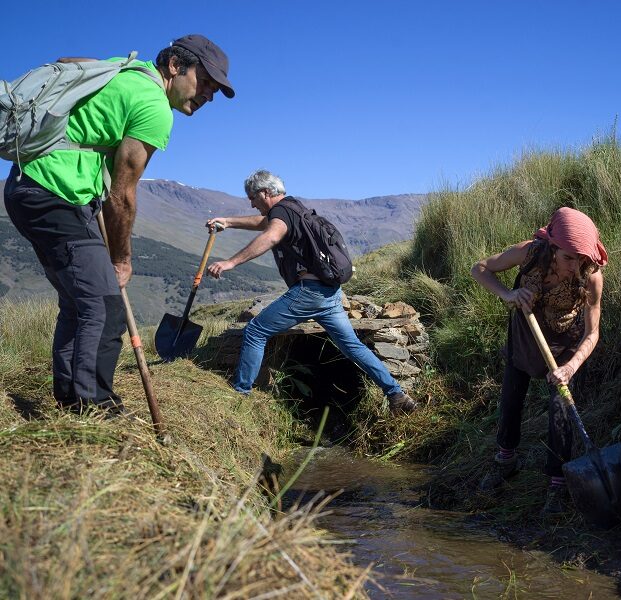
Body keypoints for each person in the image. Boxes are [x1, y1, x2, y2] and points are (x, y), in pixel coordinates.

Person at [3, 34, 235, 416]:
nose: (208, 94)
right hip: (56, 194)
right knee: (106, 305)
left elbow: (67, 57)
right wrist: (121, 258)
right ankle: (92, 405)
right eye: (205, 81)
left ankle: (69, 398)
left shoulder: (124, 70)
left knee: (78, 303)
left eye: (215, 89)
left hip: (28, 187)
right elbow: (122, 195)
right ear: (175, 67)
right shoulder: (154, 106)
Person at [205, 169, 419, 414]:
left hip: (309, 293)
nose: (251, 204)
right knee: (353, 347)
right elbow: (263, 223)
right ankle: (396, 394)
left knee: (256, 330)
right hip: (330, 292)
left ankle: (240, 394)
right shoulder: (293, 208)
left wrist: (230, 262)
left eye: (252, 198)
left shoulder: (280, 214)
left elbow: (270, 235)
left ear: (265, 193)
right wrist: (228, 222)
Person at [470, 207, 606, 515]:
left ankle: (557, 484)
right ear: (552, 246)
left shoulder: (591, 277)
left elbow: (592, 332)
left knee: (561, 411)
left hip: (565, 343)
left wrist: (571, 368)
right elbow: (479, 268)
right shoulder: (530, 253)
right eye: (568, 257)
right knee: (510, 400)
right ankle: (505, 462)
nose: (575, 265)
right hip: (525, 334)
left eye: (581, 258)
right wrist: (508, 294)